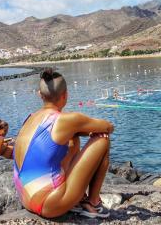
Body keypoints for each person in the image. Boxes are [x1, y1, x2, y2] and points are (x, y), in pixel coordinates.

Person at [13, 68, 114, 219]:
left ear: (40, 95)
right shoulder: (66, 120)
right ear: (65, 95)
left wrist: (78, 132)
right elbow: (108, 127)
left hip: (25, 198)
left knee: (73, 140)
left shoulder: (30, 118)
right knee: (102, 139)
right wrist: (91, 131)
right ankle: (93, 202)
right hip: (49, 203)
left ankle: (78, 200)